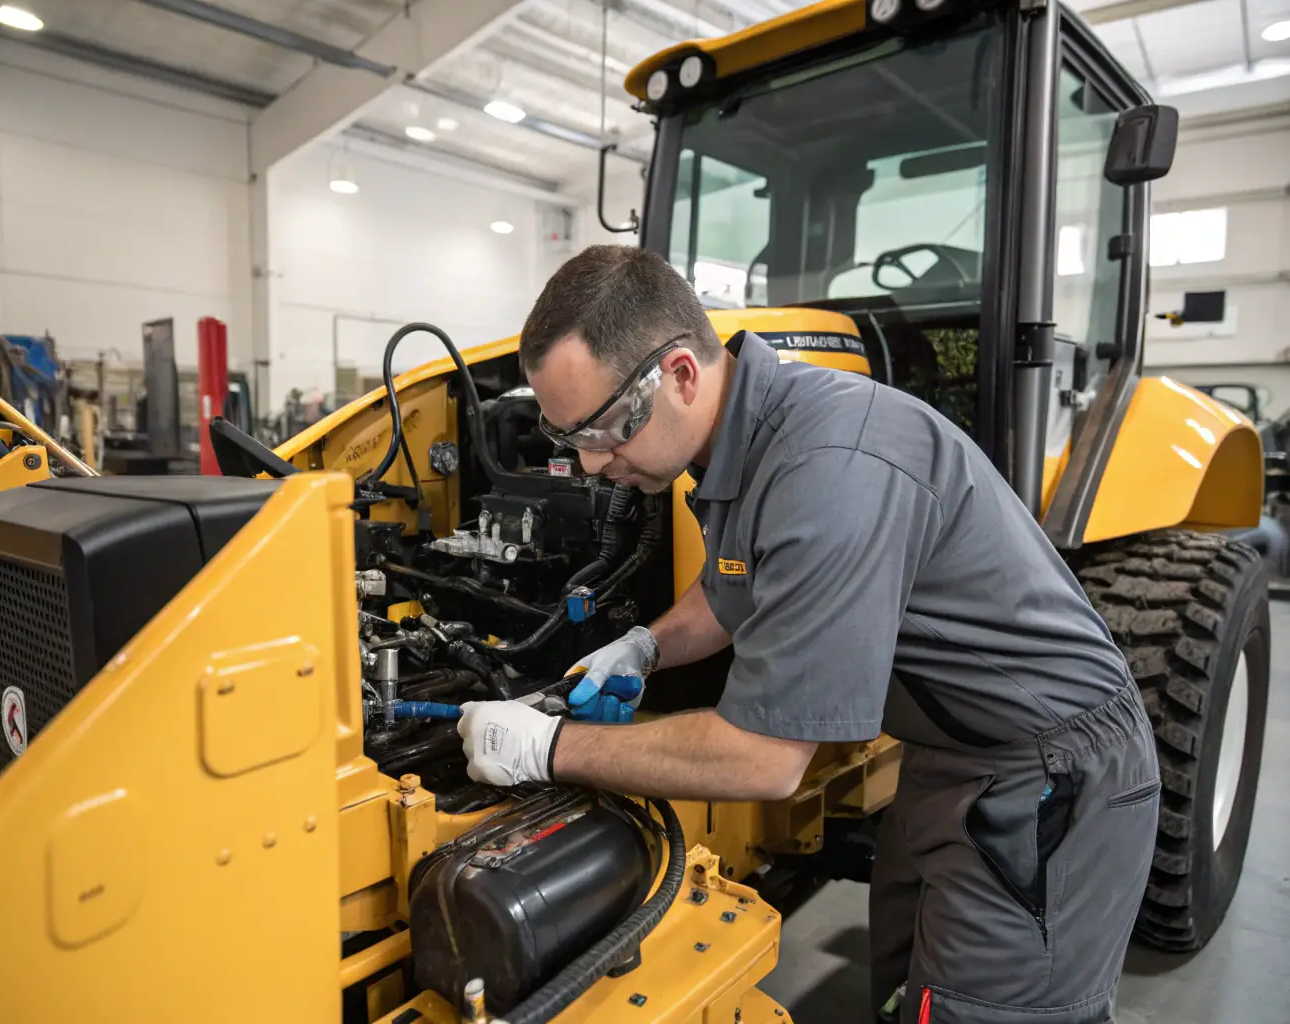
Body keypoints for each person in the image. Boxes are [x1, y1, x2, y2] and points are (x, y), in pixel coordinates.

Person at [458, 244, 1159, 1023]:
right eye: (568, 440)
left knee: (978, 1010)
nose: (590, 466)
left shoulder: (830, 467)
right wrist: (647, 645)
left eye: (602, 429)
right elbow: (730, 588)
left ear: (681, 376)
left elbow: (761, 759)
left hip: (1045, 771)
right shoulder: (742, 441)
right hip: (950, 756)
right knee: (909, 991)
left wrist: (543, 751)